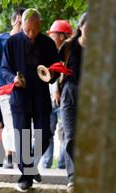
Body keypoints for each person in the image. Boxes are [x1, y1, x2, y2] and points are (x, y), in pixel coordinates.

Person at [2, 8, 59, 191]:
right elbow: (4, 69)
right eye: (27, 30)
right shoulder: (12, 42)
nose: (30, 34)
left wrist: (51, 74)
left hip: (41, 95)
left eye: (34, 30)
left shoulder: (48, 44)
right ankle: (26, 176)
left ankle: (31, 166)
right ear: (22, 25)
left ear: (39, 25)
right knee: (23, 138)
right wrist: (13, 79)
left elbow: (56, 68)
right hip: (20, 97)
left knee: (45, 135)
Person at [0, 7, 25, 169]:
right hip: (5, 88)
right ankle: (9, 155)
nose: (22, 24)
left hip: (24, 88)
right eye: (20, 21)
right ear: (13, 21)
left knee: (21, 121)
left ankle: (20, 155)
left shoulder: (27, 41)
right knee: (9, 121)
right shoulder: (0, 39)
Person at [59, 12, 87, 193]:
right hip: (69, 92)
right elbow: (57, 68)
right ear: (81, 27)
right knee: (70, 135)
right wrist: (55, 89)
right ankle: (73, 177)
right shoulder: (69, 46)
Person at [41, 20, 72, 169]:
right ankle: (45, 164)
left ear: (61, 36)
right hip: (49, 99)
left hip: (66, 99)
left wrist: (58, 91)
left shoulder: (70, 53)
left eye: (53, 34)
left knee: (65, 132)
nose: (51, 36)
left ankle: (62, 165)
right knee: (48, 131)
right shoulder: (49, 51)